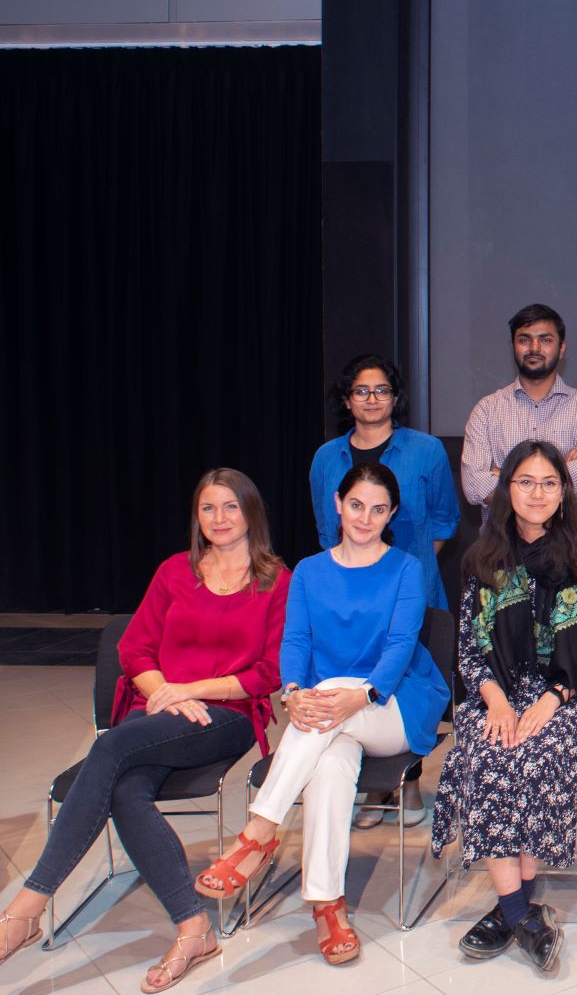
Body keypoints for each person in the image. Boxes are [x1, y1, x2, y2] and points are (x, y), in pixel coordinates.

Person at [0, 470, 288, 992]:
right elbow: (133, 649)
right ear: (195, 516)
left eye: (229, 507)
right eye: (207, 508)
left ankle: (26, 906)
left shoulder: (275, 580)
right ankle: (193, 928)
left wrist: (192, 690)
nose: (218, 519)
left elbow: (268, 672)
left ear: (251, 513)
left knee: (109, 747)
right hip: (158, 709)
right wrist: (165, 692)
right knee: (127, 791)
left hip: (226, 715)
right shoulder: (175, 571)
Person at [194, 462, 448, 967]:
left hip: (394, 705)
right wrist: (290, 691)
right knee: (331, 764)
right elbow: (296, 640)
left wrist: (364, 693)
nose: (365, 518)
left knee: (332, 690)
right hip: (330, 717)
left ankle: (257, 834)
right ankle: (328, 906)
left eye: (379, 509)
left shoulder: (405, 568)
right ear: (338, 503)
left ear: (392, 513)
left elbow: (400, 646)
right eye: (357, 505)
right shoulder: (310, 570)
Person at [431, 441, 577, 974]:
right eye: (525, 482)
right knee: (493, 752)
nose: (536, 493)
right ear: (505, 490)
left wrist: (551, 700)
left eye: (548, 483)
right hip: (497, 689)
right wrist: (494, 700)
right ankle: (525, 917)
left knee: (532, 755)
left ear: (563, 493)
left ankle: (509, 910)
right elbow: (469, 648)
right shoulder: (482, 560)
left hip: (569, 693)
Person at [308, 353, 459, 830]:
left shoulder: (426, 450)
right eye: (361, 391)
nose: (372, 400)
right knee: (355, 680)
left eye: (382, 391)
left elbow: (444, 519)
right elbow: (322, 527)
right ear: (347, 400)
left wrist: (401, 570)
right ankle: (369, 784)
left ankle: (407, 781)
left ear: (396, 399)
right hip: (347, 596)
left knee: (409, 682)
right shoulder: (326, 458)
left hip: (411, 587)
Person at [462, 303, 577, 524]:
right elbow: (473, 487)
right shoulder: (486, 410)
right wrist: (560, 474)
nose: (534, 348)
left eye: (546, 340)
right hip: (503, 550)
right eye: (524, 339)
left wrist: (504, 477)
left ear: (562, 348)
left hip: (571, 550)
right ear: (513, 346)